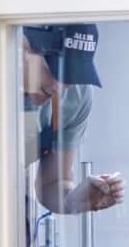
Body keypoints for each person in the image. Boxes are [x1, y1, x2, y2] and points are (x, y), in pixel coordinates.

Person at [23, 23, 122, 215]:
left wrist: (75, 199)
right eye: (54, 70)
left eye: (73, 75)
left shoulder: (77, 96)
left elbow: (52, 183)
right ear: (24, 48)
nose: (61, 88)